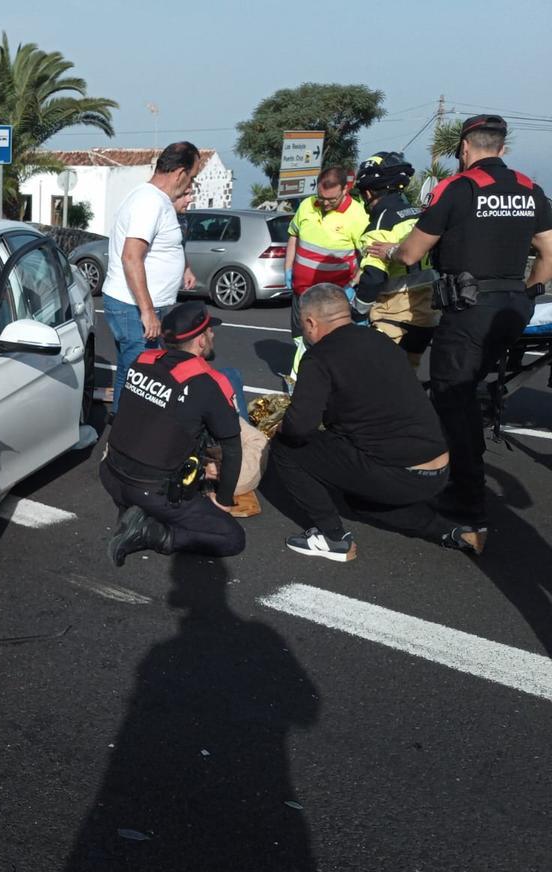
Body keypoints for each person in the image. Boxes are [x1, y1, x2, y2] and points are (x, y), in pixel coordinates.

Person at [368, 114, 552, 528]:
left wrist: (389, 251)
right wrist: (527, 295)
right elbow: (549, 252)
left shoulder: (457, 188)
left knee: (453, 398)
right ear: (502, 148)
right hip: (512, 309)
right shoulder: (530, 189)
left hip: (469, 309)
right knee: (470, 390)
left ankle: (465, 498)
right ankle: (466, 464)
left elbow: (413, 252)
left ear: (464, 149)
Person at [271, 284, 484, 562]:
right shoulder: (381, 340)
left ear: (311, 322)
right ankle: (452, 531)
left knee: (285, 449)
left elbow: (300, 427)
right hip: (439, 466)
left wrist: (278, 427)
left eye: (304, 326)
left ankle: (332, 538)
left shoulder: (319, 357)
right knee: (360, 499)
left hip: (398, 473)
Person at [101, 301, 246, 565]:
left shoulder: (142, 361)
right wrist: (224, 500)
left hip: (111, 475)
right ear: (200, 341)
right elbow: (232, 449)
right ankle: (151, 532)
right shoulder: (209, 384)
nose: (213, 335)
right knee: (232, 538)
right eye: (210, 332)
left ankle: (138, 513)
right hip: (150, 489)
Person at [101, 141, 204, 412]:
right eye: (192, 177)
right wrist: (147, 312)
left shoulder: (153, 199)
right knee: (142, 380)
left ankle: (121, 427)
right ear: (180, 173)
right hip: (133, 307)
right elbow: (131, 256)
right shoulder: (150, 203)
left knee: (130, 370)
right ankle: (128, 442)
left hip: (133, 304)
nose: (189, 184)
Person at [350, 152, 438, 368]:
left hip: (393, 319)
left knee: (381, 381)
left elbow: (373, 277)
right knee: (408, 374)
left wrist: (356, 311)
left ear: (368, 192)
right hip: (427, 316)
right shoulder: (417, 215)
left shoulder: (380, 226)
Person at [284, 167, 369, 381]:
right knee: (300, 339)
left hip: (332, 299)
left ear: (345, 190)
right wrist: (288, 268)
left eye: (330, 199)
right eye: (320, 197)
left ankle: (317, 383)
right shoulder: (306, 205)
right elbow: (293, 235)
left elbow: (366, 256)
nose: (324, 203)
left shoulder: (357, 215)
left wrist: (353, 285)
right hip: (301, 292)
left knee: (328, 346)